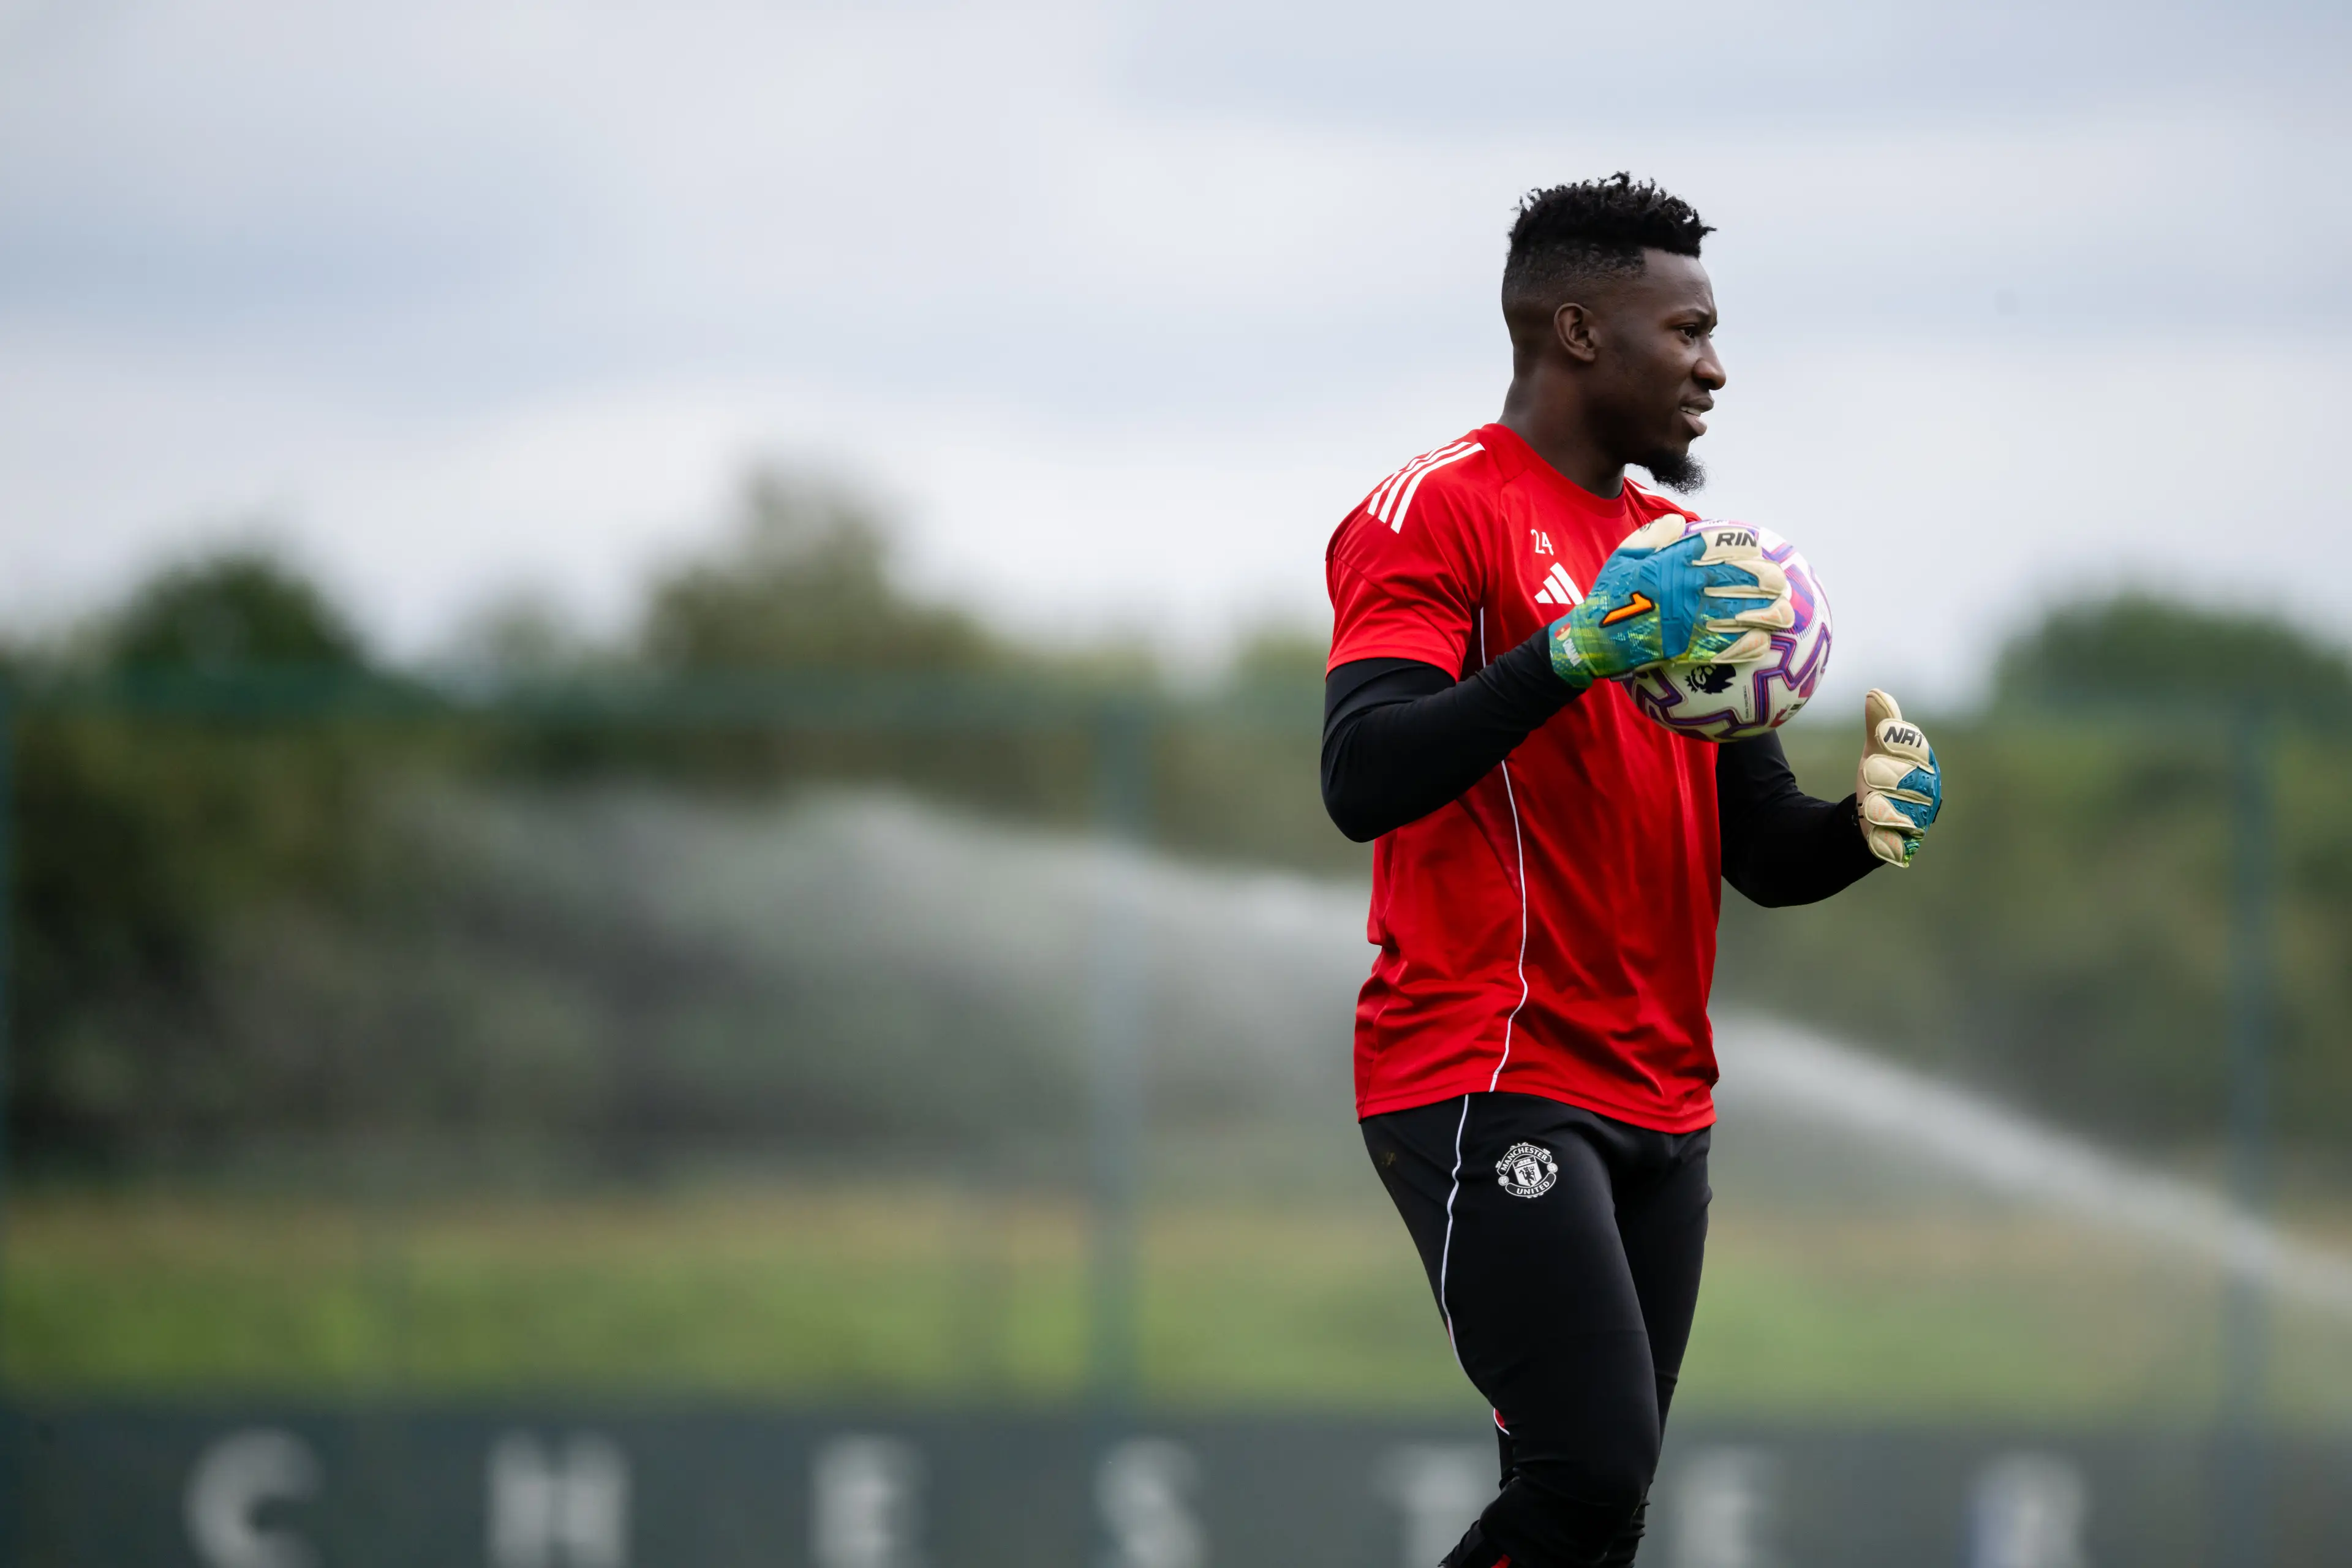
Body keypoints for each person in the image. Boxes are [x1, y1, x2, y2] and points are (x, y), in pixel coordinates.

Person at [1320, 175, 1943, 1568]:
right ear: (1578, 329)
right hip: (1486, 1066)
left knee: (1602, 1516)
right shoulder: (1434, 513)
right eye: (1690, 329)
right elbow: (1361, 775)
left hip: (1663, 1098)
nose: (1716, 366)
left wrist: (1863, 824)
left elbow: (1761, 851)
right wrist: (1571, 654)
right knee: (1590, 1467)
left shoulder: (1685, 556)